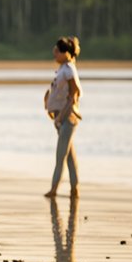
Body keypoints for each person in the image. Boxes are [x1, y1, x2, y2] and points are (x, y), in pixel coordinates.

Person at [43, 36, 83, 198]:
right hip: (61, 118)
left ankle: (54, 189)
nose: (55, 54)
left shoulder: (69, 70)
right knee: (70, 158)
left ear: (66, 53)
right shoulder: (63, 69)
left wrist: (61, 118)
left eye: (58, 51)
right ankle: (75, 189)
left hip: (67, 119)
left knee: (60, 155)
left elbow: (73, 96)